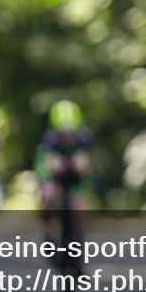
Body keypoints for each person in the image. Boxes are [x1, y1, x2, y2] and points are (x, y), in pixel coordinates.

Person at [35, 99, 91, 240]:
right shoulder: (49, 139)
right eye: (63, 134)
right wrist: (52, 167)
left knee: (77, 204)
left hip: (74, 177)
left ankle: (78, 237)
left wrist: (80, 163)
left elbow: (86, 160)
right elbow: (45, 163)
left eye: (70, 133)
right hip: (54, 176)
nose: (67, 137)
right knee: (49, 196)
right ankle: (48, 230)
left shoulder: (83, 137)